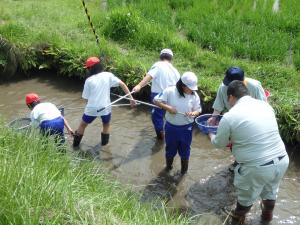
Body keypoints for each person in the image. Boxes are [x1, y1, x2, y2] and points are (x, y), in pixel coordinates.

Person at [208, 81, 289, 224]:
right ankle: (266, 220)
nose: (229, 102)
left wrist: (210, 132)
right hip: (281, 159)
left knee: (244, 202)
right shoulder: (265, 105)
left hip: (257, 167)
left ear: (231, 97)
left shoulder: (229, 116)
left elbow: (218, 143)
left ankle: (237, 219)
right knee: (270, 194)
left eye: (228, 99)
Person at [73, 56, 135, 147]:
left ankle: (75, 145)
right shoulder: (108, 75)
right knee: (106, 125)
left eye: (88, 68)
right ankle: (104, 146)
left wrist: (88, 106)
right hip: (106, 107)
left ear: (91, 68)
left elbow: (85, 98)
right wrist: (131, 99)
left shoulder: (89, 80)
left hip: (92, 108)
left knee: (82, 125)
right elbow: (122, 84)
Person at [154, 72, 201, 175]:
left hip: (186, 129)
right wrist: (168, 108)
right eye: (190, 88)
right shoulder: (170, 91)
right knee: (170, 149)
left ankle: (184, 173)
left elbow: (198, 110)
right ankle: (168, 168)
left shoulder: (194, 95)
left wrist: (194, 113)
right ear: (182, 85)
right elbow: (156, 100)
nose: (192, 90)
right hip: (171, 128)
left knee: (185, 151)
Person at [132, 48, 180, 140]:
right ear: (171, 59)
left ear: (160, 57)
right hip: (173, 96)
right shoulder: (175, 71)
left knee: (156, 117)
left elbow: (150, 76)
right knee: (169, 116)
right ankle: (169, 135)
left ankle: (161, 138)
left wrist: (139, 85)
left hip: (159, 96)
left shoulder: (158, 65)